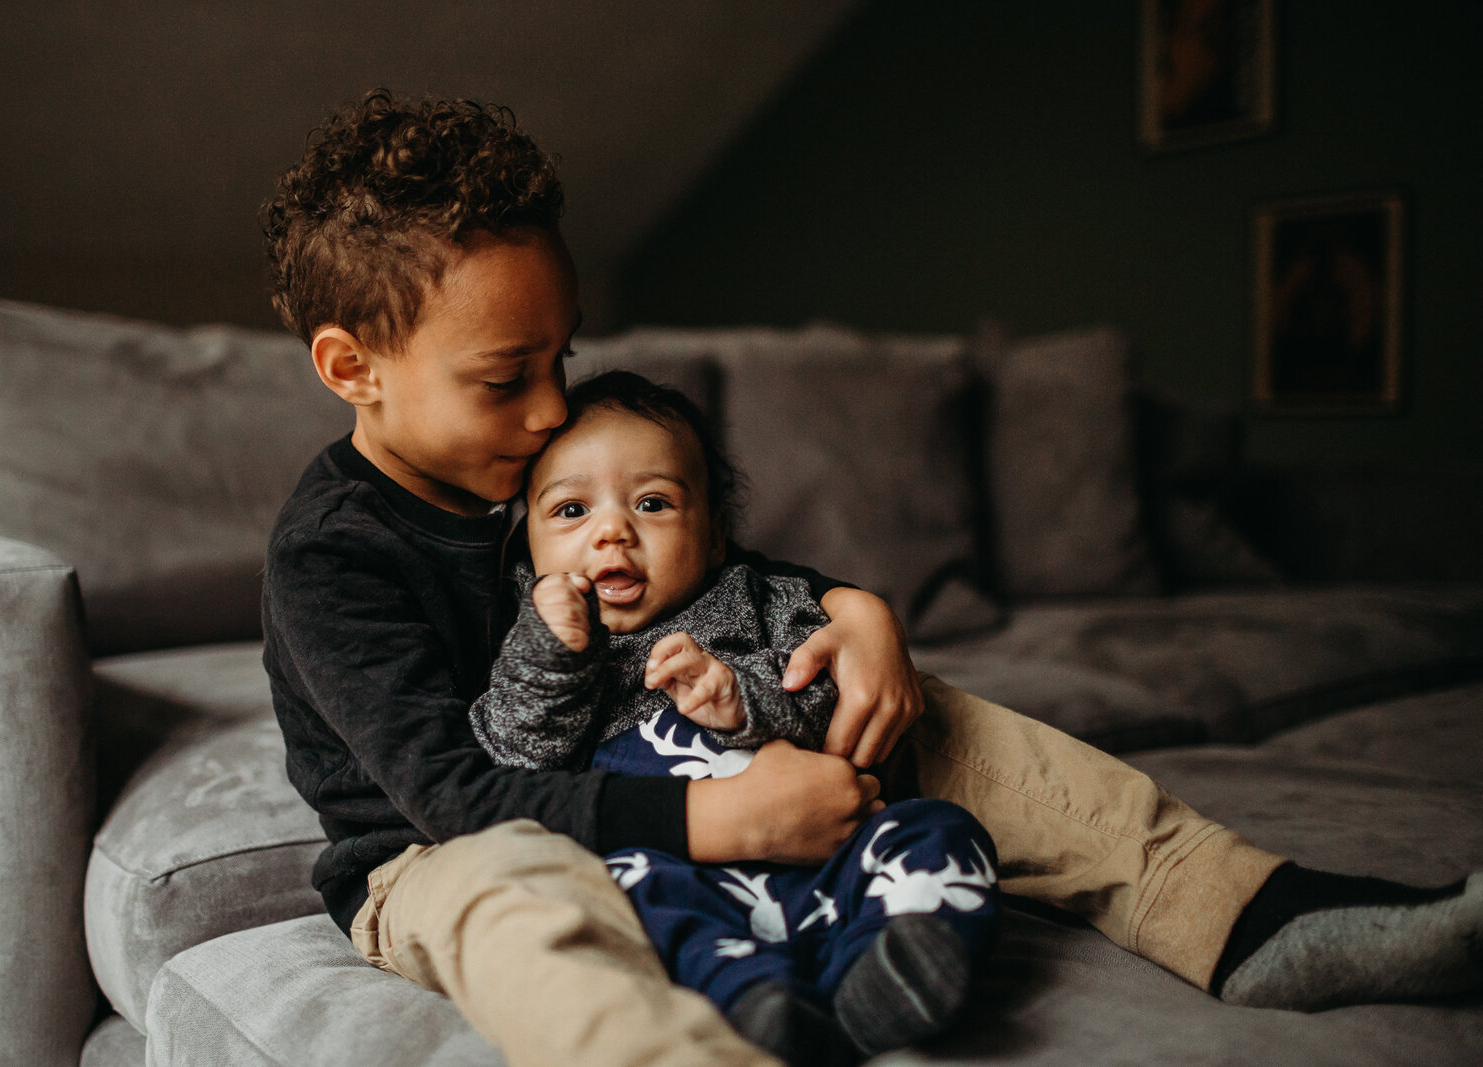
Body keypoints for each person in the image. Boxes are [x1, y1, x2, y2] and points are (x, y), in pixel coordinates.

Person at [260, 89, 1483, 1067]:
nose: (549, 411)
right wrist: (718, 819)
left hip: (655, 750)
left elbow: (707, 566)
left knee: (940, 724)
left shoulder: (533, 454)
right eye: (505, 375)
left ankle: (1247, 915)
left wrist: (855, 612)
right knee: (517, 904)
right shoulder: (333, 552)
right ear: (349, 364)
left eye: (562, 358)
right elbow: (458, 797)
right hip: (440, 848)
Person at [470, 371, 1000, 1064]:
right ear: (526, 549)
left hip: (825, 850)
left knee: (942, 830)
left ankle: (887, 967)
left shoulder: (755, 600)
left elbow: (830, 703)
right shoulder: (530, 635)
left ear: (715, 536)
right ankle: (759, 1000)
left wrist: (742, 701)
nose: (611, 532)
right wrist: (550, 652)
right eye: (570, 511)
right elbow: (513, 761)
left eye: (652, 503)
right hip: (679, 866)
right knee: (621, 887)